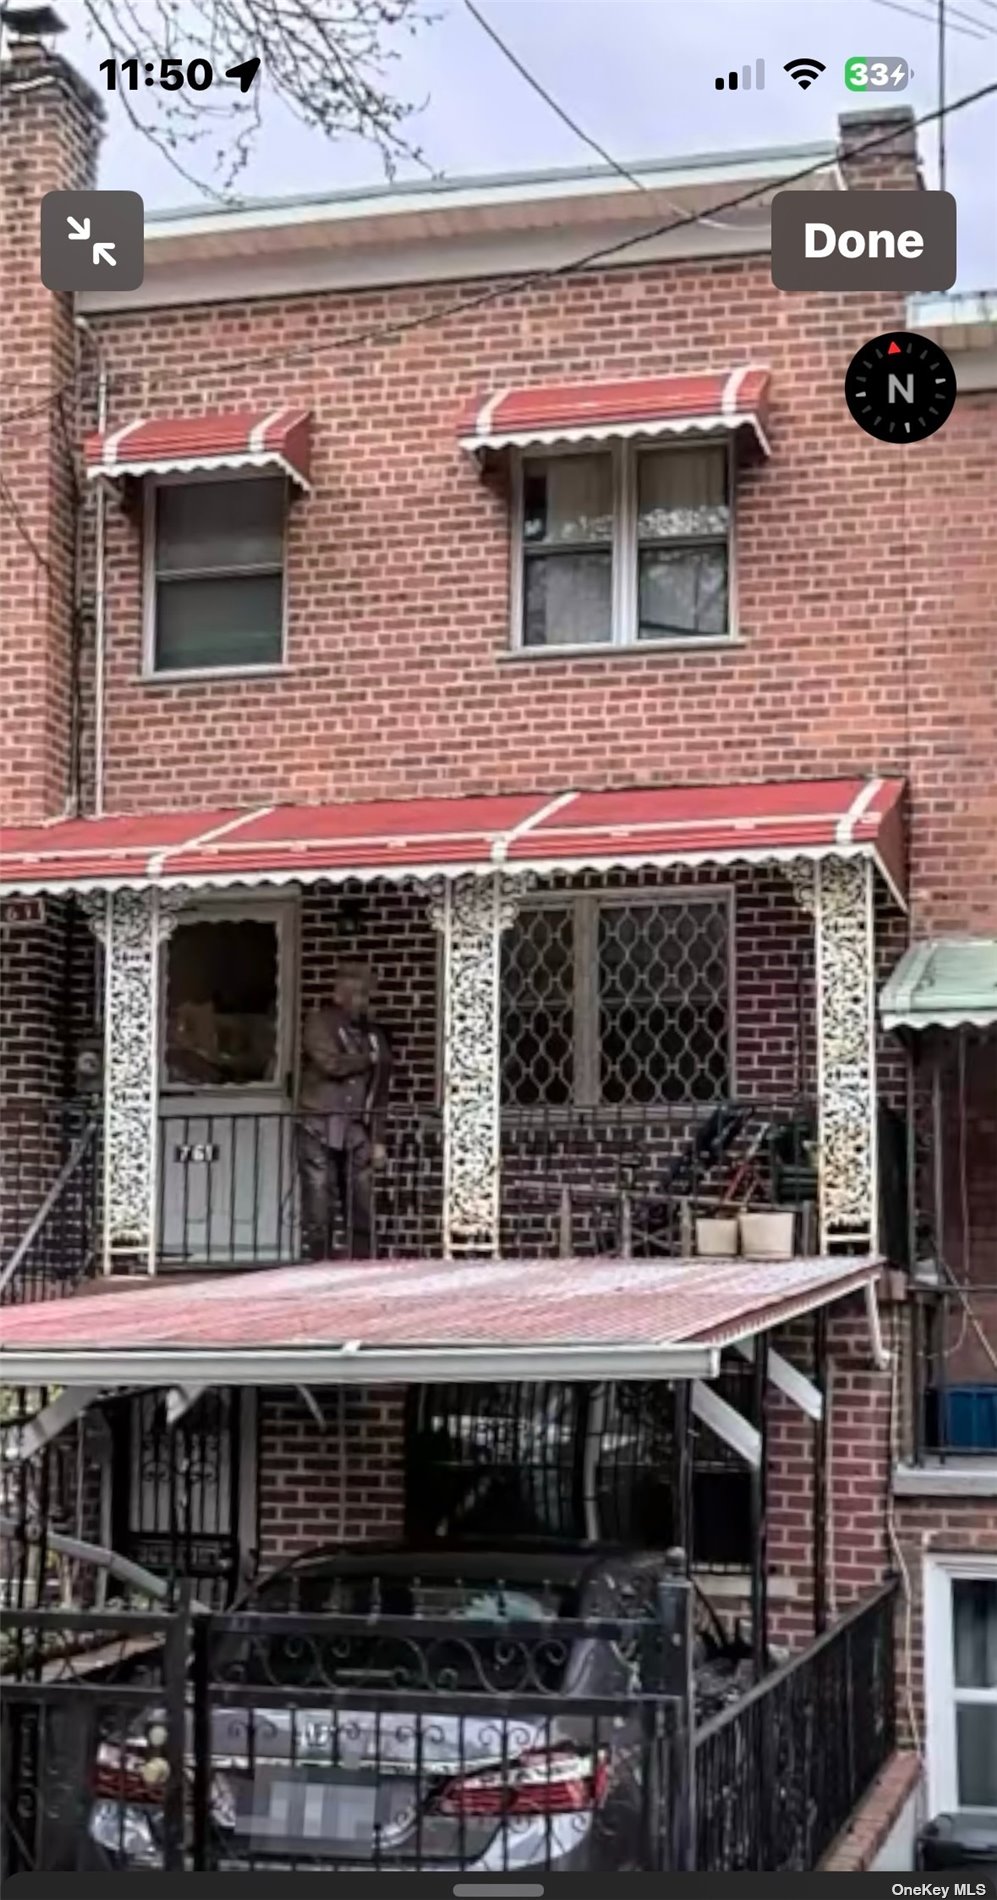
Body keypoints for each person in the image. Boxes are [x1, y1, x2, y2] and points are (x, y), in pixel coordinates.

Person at [297, 963, 392, 1260]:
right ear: (340, 994)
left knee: (360, 1195)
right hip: (319, 1120)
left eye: (366, 995)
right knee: (318, 1191)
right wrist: (367, 1059)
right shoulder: (319, 1023)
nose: (362, 1001)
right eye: (356, 994)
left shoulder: (374, 1035)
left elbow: (380, 1090)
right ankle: (318, 1257)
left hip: (356, 1126)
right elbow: (330, 1064)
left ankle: (363, 1258)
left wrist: (378, 1138)